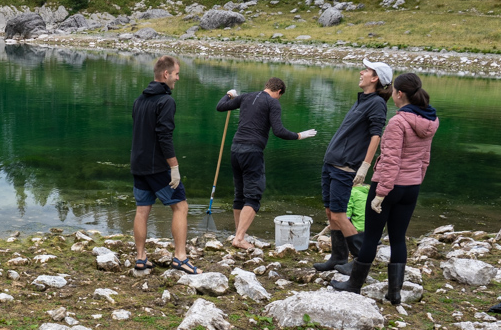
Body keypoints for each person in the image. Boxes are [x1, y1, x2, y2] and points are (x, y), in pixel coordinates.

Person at [335, 73, 439, 304]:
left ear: (399, 94)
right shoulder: (431, 120)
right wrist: (416, 180)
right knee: (398, 238)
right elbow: (425, 158)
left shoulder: (398, 122)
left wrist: (381, 193)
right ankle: (395, 293)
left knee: (371, 237)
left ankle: (353, 285)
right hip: (411, 187)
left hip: (389, 187)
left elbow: (391, 160)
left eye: (393, 90)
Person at [215, 78, 317, 250]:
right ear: (279, 92)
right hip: (252, 151)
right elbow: (279, 131)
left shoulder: (246, 97)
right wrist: (299, 135)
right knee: (253, 196)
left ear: (267, 86)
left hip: (236, 149)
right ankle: (239, 238)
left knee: (240, 194)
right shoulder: (273, 103)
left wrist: (229, 94)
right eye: (280, 96)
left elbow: (220, 106)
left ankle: (240, 233)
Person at [313, 59, 393, 274]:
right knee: (331, 212)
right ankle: (337, 257)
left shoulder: (377, 103)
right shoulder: (362, 100)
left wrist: (365, 166)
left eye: (366, 70)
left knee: (339, 215)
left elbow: (377, 135)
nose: (361, 72)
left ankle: (360, 261)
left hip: (345, 167)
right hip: (331, 163)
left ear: (375, 78)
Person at [131, 55, 195, 273]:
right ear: (166, 74)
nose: (177, 78)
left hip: (138, 164)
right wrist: (174, 167)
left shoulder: (139, 100)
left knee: (142, 210)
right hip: (157, 166)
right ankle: (180, 257)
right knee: (181, 206)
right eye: (176, 74)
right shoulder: (166, 101)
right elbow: (164, 136)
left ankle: (141, 258)